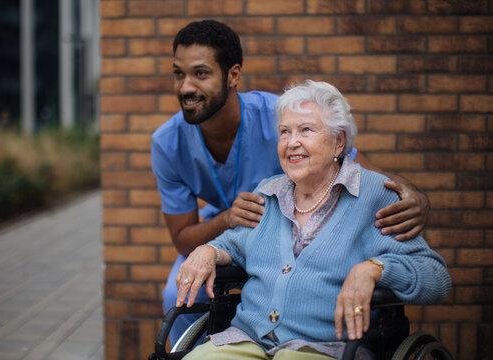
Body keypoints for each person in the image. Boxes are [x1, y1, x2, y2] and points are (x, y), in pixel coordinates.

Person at [150, 19, 430, 346]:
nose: (185, 87)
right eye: (178, 74)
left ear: (233, 76)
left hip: (287, 224)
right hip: (225, 230)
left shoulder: (283, 118)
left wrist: (414, 196)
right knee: (176, 292)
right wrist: (225, 220)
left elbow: (357, 169)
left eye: (200, 73)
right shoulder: (167, 142)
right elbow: (183, 239)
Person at [175, 80, 451, 360]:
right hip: (247, 341)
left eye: (306, 130)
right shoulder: (269, 192)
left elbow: (435, 278)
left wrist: (374, 268)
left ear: (338, 141)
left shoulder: (375, 195)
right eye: (285, 132)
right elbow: (235, 244)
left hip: (325, 348)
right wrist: (207, 250)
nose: (292, 142)